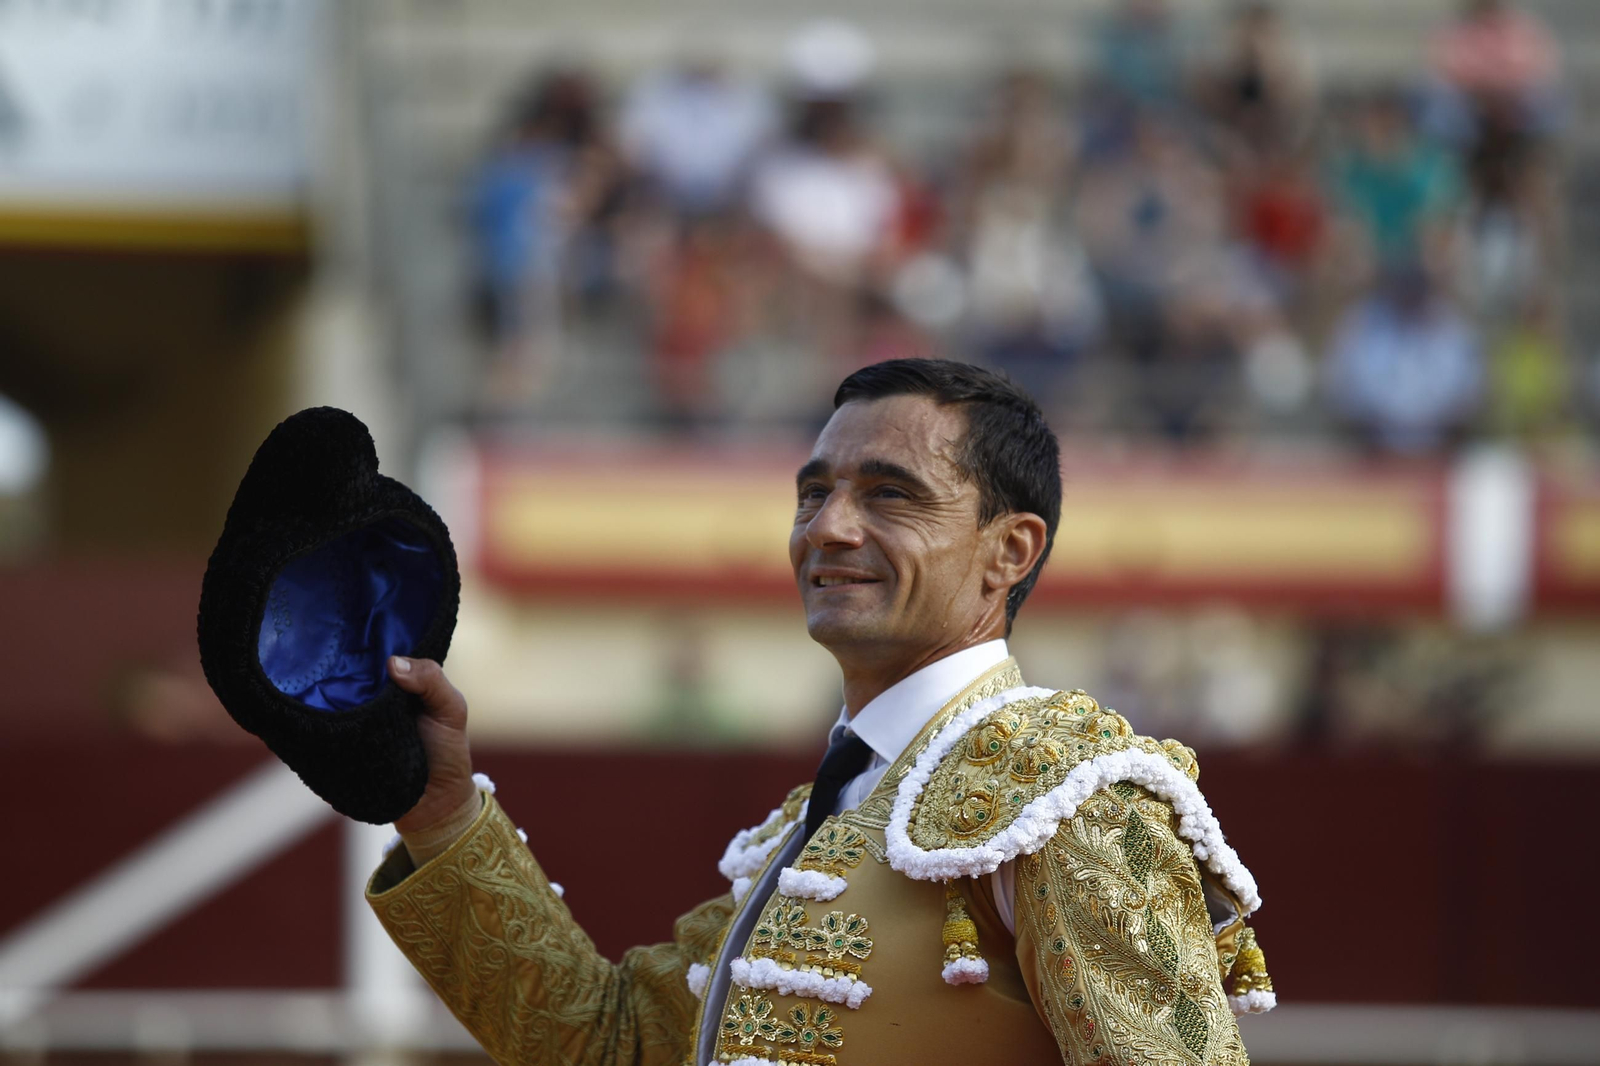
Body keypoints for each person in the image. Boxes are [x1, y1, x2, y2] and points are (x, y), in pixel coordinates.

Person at [367, 359, 1273, 1064]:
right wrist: (440, 810)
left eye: (891, 495)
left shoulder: (1070, 800)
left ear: (1009, 551)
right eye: (814, 492)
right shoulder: (822, 819)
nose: (828, 528)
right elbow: (611, 1045)